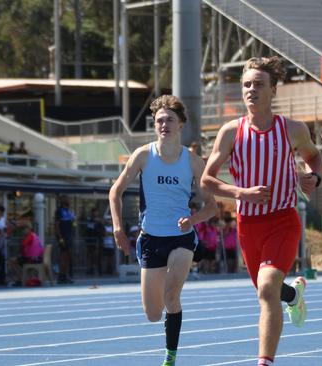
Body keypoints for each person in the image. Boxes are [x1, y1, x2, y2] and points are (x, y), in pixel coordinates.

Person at [201, 56, 322, 366]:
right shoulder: (230, 132)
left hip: (283, 219)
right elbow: (207, 180)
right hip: (247, 225)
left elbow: (313, 157)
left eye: (258, 84)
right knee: (266, 290)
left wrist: (313, 177)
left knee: (267, 289)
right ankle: (293, 296)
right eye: (246, 85)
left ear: (273, 91)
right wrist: (241, 193)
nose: (251, 90)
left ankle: (264, 362)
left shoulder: (293, 129)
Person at [109, 95, 217, 366]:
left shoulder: (192, 162)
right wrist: (118, 227)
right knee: (153, 313)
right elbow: (116, 191)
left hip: (181, 238)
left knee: (172, 295)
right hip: (150, 239)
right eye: (159, 120)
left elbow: (212, 206)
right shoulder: (143, 155)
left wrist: (192, 221)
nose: (164, 124)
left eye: (169, 119)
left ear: (181, 124)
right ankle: (167, 324)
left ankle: (170, 355)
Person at [7, 222, 44, 286]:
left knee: (11, 261)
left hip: (32, 259)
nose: (23, 231)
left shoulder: (30, 236)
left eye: (24, 229)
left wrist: (20, 254)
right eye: (22, 229)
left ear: (29, 229)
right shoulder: (35, 235)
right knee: (17, 260)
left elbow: (23, 246)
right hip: (37, 258)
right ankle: (24, 278)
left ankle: (20, 279)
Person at [54, 195, 75, 284]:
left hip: (69, 236)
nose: (69, 200)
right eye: (67, 199)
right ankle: (61, 276)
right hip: (63, 237)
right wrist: (60, 237)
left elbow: (73, 224)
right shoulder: (59, 211)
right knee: (63, 256)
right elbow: (57, 225)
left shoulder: (69, 211)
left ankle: (65, 275)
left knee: (67, 257)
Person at [84, 207, 104, 275]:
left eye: (96, 212)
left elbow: (102, 231)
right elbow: (89, 230)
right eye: (94, 212)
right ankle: (91, 269)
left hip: (99, 240)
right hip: (91, 241)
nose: (95, 214)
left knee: (98, 256)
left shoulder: (100, 221)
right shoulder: (90, 220)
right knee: (91, 256)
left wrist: (99, 222)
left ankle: (100, 270)